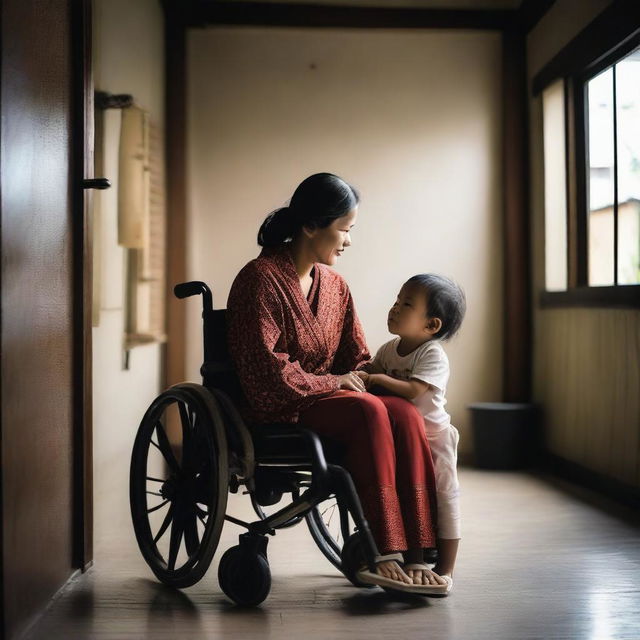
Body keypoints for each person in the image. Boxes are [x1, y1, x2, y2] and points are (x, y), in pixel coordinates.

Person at [227, 173, 450, 594]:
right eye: (344, 230)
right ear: (311, 226)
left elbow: (356, 359)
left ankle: (419, 550)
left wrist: (378, 379)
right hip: (279, 404)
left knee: (402, 411)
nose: (348, 241)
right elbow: (265, 371)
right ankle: (379, 549)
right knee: (366, 409)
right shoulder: (259, 278)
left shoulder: (336, 287)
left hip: (329, 400)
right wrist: (335, 383)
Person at [356, 274, 465, 590]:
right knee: (406, 492)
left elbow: (415, 390)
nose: (395, 308)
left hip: (435, 439)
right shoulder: (390, 349)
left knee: (445, 500)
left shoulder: (432, 354)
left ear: (431, 326)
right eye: (396, 300)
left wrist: (378, 380)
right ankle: (413, 558)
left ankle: (445, 569)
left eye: (406, 304)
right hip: (404, 438)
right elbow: (372, 370)